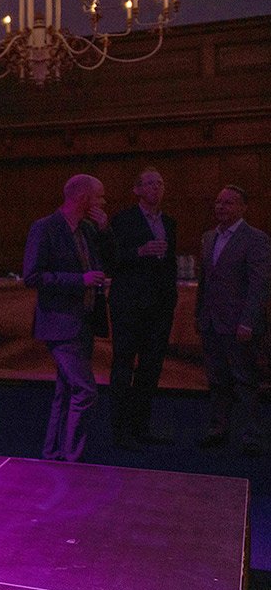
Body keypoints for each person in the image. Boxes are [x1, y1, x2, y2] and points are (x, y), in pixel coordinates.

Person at [23, 174, 110, 463]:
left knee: (65, 392)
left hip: (83, 321)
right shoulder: (45, 228)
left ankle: (53, 454)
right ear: (83, 197)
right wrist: (80, 280)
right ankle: (73, 458)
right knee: (85, 391)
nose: (103, 202)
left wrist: (96, 279)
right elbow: (32, 276)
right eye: (99, 196)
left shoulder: (87, 230)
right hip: (59, 324)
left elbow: (106, 261)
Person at [195, 185, 270, 456]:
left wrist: (248, 321)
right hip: (211, 322)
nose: (220, 207)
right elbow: (205, 282)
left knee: (245, 380)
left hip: (239, 324)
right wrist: (199, 315)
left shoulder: (255, 239)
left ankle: (252, 434)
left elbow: (259, 285)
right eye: (218, 202)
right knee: (216, 380)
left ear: (242, 207)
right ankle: (218, 428)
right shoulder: (208, 238)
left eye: (228, 203)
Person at [107, 168, 178, 449]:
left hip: (159, 307)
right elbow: (110, 258)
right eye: (150, 183)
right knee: (123, 366)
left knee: (151, 368)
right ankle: (120, 430)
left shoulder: (169, 222)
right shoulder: (123, 219)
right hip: (129, 304)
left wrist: (170, 300)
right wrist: (139, 251)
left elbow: (170, 263)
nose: (156, 188)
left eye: (160, 183)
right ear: (136, 189)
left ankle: (141, 427)